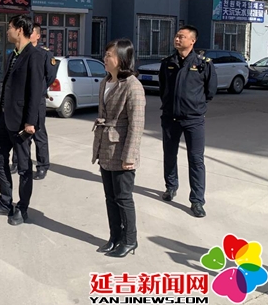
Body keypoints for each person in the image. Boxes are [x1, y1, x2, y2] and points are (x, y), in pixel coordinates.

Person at [0, 15, 45, 226]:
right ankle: (5, 202)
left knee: (24, 167)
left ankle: (22, 208)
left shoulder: (34, 56)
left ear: (19, 29)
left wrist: (30, 122)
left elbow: (35, 92)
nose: (7, 31)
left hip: (21, 122)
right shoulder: (13, 55)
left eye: (9, 27)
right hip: (4, 118)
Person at [92, 39, 146, 258]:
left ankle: (130, 240)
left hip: (122, 150)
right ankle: (114, 237)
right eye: (105, 54)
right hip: (105, 147)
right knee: (110, 197)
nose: (105, 58)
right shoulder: (106, 82)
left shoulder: (133, 86)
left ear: (122, 59)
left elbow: (137, 124)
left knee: (123, 198)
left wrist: (129, 156)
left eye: (109, 55)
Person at [159, 25, 217, 218]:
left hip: (194, 120)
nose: (177, 39)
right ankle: (171, 187)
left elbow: (210, 91)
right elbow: (163, 88)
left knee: (196, 159)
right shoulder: (168, 62)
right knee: (169, 155)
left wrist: (195, 107)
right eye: (176, 36)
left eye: (181, 37)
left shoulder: (203, 64)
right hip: (170, 118)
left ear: (192, 41)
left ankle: (197, 201)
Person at [10, 22, 58, 180]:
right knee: (20, 132)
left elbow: (50, 76)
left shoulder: (44, 54)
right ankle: (17, 161)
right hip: (21, 101)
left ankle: (42, 165)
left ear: (37, 36)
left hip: (37, 100)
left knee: (38, 133)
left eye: (32, 33)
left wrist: (40, 89)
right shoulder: (19, 53)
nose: (29, 35)